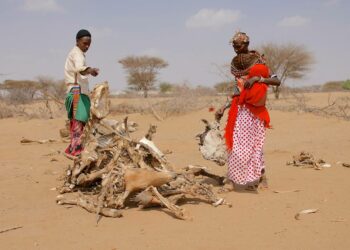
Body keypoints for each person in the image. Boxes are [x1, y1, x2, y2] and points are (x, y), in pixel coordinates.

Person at [216, 31, 280, 191]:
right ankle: (231, 180)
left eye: (238, 46)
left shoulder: (258, 61)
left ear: (246, 44)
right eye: (234, 46)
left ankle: (262, 175)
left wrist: (258, 79)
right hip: (239, 109)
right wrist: (224, 106)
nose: (236, 49)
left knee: (255, 145)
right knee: (234, 144)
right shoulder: (235, 63)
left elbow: (276, 80)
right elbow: (237, 90)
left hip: (255, 110)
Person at [64, 29, 99, 157]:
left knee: (79, 120)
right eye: (84, 43)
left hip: (78, 90)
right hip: (76, 90)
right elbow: (80, 69)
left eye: (89, 43)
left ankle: (72, 148)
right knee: (78, 120)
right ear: (77, 41)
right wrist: (90, 70)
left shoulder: (77, 53)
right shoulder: (77, 54)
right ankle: (76, 149)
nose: (87, 46)